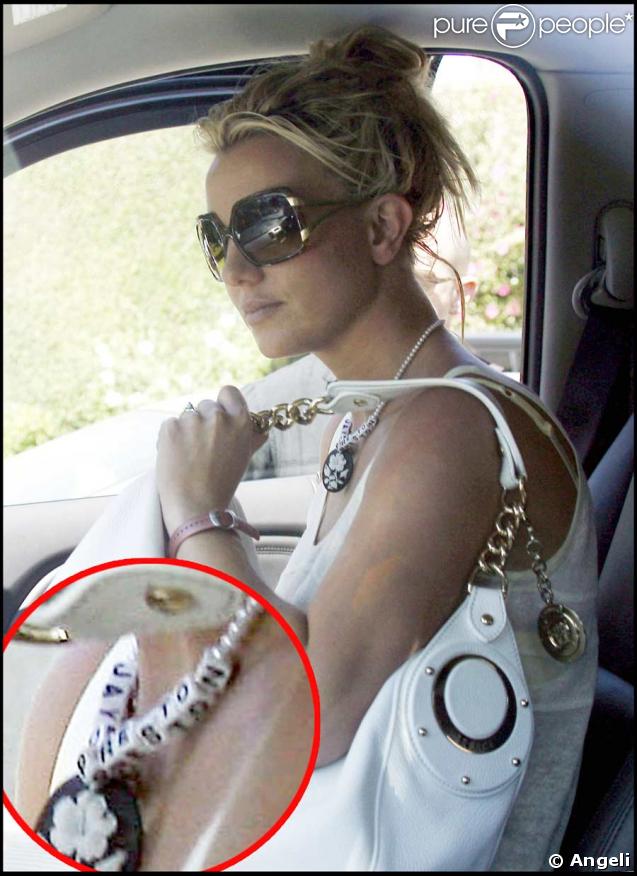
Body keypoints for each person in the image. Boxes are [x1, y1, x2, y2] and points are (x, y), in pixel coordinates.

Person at [15, 25, 598, 872]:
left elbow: (306, 718)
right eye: (218, 236)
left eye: (269, 224)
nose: (236, 267)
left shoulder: (449, 427)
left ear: (382, 227)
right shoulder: (370, 413)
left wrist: (202, 512)